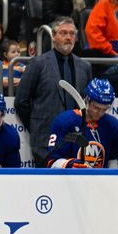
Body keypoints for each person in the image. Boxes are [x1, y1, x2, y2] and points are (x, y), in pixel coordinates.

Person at [14, 17, 91, 167]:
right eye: (63, 33)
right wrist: (37, 127)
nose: (68, 37)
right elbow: (21, 101)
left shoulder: (85, 66)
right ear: (53, 37)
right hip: (45, 142)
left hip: (77, 143)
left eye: (71, 33)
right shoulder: (37, 63)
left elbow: (87, 104)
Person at [47, 78, 118, 168]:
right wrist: (69, 165)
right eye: (96, 107)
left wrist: (113, 179)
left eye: (104, 109)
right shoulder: (64, 121)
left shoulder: (112, 125)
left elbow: (112, 160)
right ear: (87, 100)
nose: (100, 113)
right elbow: (52, 162)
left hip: (100, 181)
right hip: (69, 180)